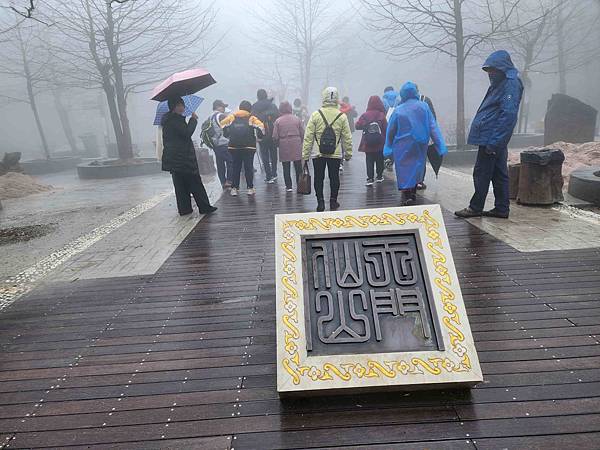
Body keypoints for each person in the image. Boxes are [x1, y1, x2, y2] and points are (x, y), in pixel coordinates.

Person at [455, 50, 523, 219]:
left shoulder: (510, 84)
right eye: (488, 70)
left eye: (493, 70)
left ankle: (475, 207)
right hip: (492, 136)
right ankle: (501, 208)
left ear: (502, 68)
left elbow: (508, 115)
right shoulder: (500, 83)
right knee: (499, 173)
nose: (490, 73)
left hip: (491, 137)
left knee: (481, 173)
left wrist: (495, 142)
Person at [385, 82, 447, 206]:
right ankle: (412, 192)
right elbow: (432, 126)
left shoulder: (398, 110)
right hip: (420, 143)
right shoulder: (424, 107)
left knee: (403, 169)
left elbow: (391, 130)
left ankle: (406, 192)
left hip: (402, 145)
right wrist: (440, 144)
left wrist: (388, 146)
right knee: (416, 167)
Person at [161, 97, 217, 215]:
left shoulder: (168, 120)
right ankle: (204, 207)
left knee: (180, 184)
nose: (183, 108)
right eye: (180, 105)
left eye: (183, 105)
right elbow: (186, 133)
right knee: (195, 181)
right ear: (174, 107)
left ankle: (185, 209)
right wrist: (193, 120)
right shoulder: (175, 120)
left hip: (173, 158)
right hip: (183, 158)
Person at [302, 87, 353, 212]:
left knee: (318, 177)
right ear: (337, 99)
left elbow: (308, 136)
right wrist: (348, 153)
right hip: (335, 153)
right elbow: (347, 136)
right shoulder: (342, 116)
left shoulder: (315, 115)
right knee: (334, 177)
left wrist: (305, 155)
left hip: (318, 153)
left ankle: (320, 201)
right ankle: (333, 201)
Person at [220, 100, 265, 197]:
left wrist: (227, 135)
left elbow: (222, 124)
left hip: (234, 146)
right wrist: (260, 137)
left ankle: (234, 188)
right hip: (248, 147)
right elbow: (261, 127)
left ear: (240, 108)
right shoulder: (251, 118)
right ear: (249, 108)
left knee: (236, 167)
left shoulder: (232, 116)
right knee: (248, 167)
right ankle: (250, 188)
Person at [355, 95, 387, 186]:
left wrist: (365, 125)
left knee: (369, 160)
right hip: (380, 143)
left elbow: (357, 126)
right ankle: (379, 176)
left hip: (367, 142)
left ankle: (370, 178)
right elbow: (386, 128)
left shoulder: (365, 115)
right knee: (380, 159)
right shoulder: (381, 115)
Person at [273, 101, 304, 192]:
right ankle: (299, 184)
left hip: (284, 143)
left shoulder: (278, 121)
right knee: (298, 165)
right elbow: (303, 132)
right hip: (296, 142)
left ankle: (289, 186)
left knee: (286, 166)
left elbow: (275, 136)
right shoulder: (297, 119)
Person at [252, 89, 280, 183]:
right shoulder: (272, 105)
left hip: (261, 133)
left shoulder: (254, 107)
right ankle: (274, 173)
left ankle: (268, 175)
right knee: (273, 153)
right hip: (272, 132)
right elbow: (278, 117)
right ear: (266, 95)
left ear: (257, 96)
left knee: (264, 154)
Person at [208, 99, 232, 189]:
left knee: (220, 163)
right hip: (223, 143)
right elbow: (227, 130)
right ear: (218, 107)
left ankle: (223, 182)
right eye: (223, 107)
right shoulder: (221, 116)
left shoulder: (210, 116)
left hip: (215, 144)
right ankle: (229, 181)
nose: (224, 109)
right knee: (230, 161)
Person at [416, 91, 438, 190]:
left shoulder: (404, 101)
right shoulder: (426, 100)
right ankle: (420, 181)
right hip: (423, 134)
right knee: (421, 158)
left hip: (408, 136)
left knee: (411, 158)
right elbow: (432, 117)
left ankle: (411, 181)